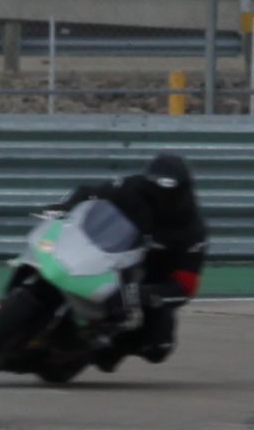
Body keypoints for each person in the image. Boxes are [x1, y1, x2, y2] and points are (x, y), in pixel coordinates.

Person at [63, 149, 207, 361]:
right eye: (157, 190)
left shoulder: (191, 228)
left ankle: (107, 349)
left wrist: (142, 293)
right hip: (107, 256)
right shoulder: (130, 187)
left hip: (149, 279)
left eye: (171, 193)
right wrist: (65, 206)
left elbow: (186, 285)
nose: (163, 198)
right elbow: (90, 193)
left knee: (158, 347)